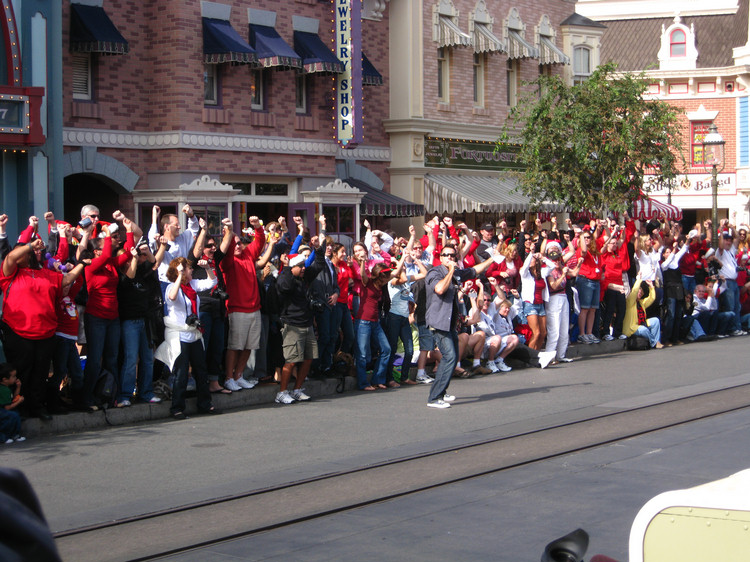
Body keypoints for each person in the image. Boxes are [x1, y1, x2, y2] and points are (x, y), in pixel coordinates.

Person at [0, 237, 85, 420]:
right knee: (22, 373)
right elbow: (10, 258)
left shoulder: (47, 274)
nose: (35, 253)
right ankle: (20, 409)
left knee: (40, 373)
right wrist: (29, 246)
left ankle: (37, 407)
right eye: (30, 251)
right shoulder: (11, 273)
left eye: (37, 251)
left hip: (45, 333)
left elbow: (67, 280)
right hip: (18, 332)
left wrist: (82, 264)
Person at [424, 245, 494, 409]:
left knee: (453, 357)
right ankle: (434, 398)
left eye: (453, 256)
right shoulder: (434, 273)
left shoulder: (455, 273)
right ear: (441, 257)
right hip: (438, 322)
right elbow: (439, 289)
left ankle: (441, 392)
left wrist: (492, 260)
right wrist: (450, 271)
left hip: (450, 323)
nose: (450, 258)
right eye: (446, 255)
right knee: (449, 357)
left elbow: (474, 270)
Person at [155, 257, 220, 419]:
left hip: (194, 333)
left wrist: (208, 268)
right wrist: (178, 276)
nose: (190, 270)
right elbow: (172, 297)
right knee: (181, 373)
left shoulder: (192, 286)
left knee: (201, 370)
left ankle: (205, 404)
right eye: (187, 268)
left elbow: (212, 282)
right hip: (179, 335)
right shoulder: (171, 286)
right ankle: (177, 408)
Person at [219, 216, 265, 391]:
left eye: (239, 243)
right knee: (235, 346)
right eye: (234, 243)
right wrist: (229, 234)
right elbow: (227, 253)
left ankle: (238, 376)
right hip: (237, 309)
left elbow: (259, 243)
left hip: (255, 309)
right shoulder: (227, 262)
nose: (237, 245)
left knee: (249, 346)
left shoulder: (247, 255)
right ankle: (229, 377)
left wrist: (257, 227)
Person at [275, 248, 326, 404]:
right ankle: (282, 393)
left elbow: (318, 265)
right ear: (292, 267)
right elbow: (285, 287)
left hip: (307, 323)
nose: (304, 268)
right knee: (291, 360)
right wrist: (289, 268)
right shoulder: (285, 277)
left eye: (304, 265)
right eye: (301, 266)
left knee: (309, 358)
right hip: (292, 325)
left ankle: (297, 390)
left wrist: (319, 250)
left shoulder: (305, 278)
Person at [354, 262, 392, 391]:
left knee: (386, 349)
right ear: (380, 275)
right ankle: (363, 383)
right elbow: (362, 274)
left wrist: (404, 256)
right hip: (363, 321)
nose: (388, 278)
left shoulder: (381, 285)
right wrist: (363, 261)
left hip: (375, 322)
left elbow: (396, 274)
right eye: (385, 275)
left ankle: (378, 380)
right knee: (362, 354)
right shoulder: (368, 282)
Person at [575, 228, 604, 344]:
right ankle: (582, 334)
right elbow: (583, 251)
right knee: (585, 308)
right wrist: (581, 236)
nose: (586, 239)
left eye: (588, 237)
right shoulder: (581, 250)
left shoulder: (595, 252)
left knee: (593, 309)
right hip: (585, 280)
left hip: (595, 281)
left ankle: (589, 332)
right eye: (584, 237)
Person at [623, 276, 664, 349]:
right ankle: (654, 343)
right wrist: (639, 279)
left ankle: (656, 341)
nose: (640, 292)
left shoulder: (641, 303)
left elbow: (652, 298)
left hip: (641, 324)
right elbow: (634, 291)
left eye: (641, 292)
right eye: (639, 291)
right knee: (643, 329)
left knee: (655, 320)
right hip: (631, 329)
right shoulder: (630, 301)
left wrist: (651, 286)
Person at [0, 364, 25, 443]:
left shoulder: (7, 388)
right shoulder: (3, 390)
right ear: (5, 379)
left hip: (4, 409)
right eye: (13, 376)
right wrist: (19, 401)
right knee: (12, 416)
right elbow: (7, 407)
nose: (15, 378)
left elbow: (13, 397)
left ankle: (15, 434)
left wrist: (18, 387)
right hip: (2, 410)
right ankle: (4, 436)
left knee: (16, 414)